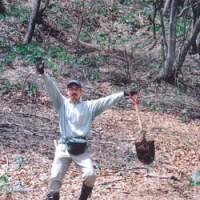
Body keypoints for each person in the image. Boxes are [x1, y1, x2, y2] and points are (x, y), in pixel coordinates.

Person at [36, 63, 138, 200]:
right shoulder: (61, 103)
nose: (73, 91)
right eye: (71, 89)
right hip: (63, 146)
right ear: (67, 92)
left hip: (80, 147)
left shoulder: (89, 107)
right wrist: (43, 74)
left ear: (81, 92)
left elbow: (107, 100)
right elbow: (51, 89)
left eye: (76, 89)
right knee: (54, 177)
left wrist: (124, 94)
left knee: (90, 175)